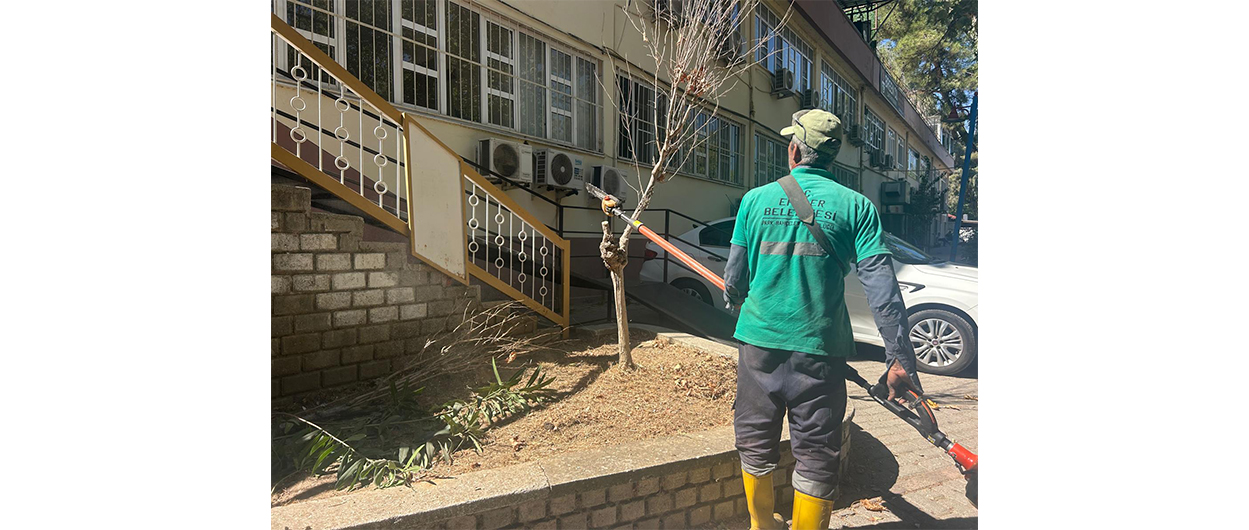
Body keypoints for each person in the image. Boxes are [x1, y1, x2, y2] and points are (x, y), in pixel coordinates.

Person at [723, 109, 924, 530]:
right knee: (817, 455)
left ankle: (762, 526)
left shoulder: (754, 200)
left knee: (755, 442)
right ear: (832, 155)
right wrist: (899, 358)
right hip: (821, 352)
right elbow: (883, 290)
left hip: (759, 346)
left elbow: (735, 276)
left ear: (794, 150)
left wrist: (736, 298)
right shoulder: (858, 207)